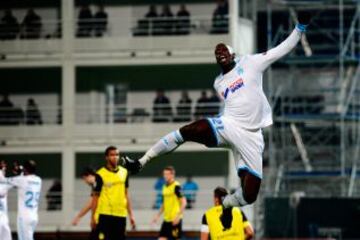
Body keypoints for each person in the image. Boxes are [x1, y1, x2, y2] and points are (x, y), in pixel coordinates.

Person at [121, 13, 311, 208]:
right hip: (229, 124)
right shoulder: (218, 83)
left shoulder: (251, 63)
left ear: (233, 54)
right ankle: (142, 161)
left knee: (250, 196)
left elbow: (282, 49)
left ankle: (226, 204)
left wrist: (300, 28)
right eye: (216, 51)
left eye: (223, 49)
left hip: (252, 136)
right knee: (188, 131)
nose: (219, 51)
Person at [91, 146, 136, 240]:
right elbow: (95, 197)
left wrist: (131, 215)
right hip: (105, 215)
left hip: (120, 215)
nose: (115, 157)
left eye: (117, 155)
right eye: (112, 155)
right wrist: (93, 217)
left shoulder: (124, 172)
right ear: (106, 157)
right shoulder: (100, 174)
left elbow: (126, 194)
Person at [1, 160, 42, 240]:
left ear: (25, 170)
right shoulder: (39, 180)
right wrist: (21, 171)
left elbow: (3, 180)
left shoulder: (21, 180)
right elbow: (25, 182)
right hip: (34, 216)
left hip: (24, 217)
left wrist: (4, 170)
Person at [151, 166, 186, 240]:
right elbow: (164, 204)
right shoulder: (164, 187)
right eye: (164, 174)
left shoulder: (177, 186)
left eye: (167, 174)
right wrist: (157, 216)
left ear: (172, 175)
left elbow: (184, 202)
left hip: (175, 219)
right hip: (166, 220)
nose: (165, 176)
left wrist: (178, 216)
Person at [71, 167, 99, 240]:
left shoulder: (97, 182)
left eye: (84, 179)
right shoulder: (97, 183)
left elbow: (91, 202)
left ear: (89, 176)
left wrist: (78, 217)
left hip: (103, 219)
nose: (85, 182)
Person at [0, 160, 12, 240]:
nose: (4, 170)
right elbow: (2, 193)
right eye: (2, 168)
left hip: (4, 217)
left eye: (4, 168)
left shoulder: (4, 182)